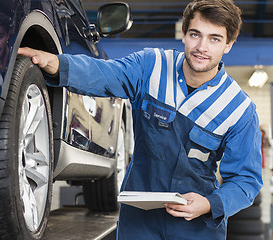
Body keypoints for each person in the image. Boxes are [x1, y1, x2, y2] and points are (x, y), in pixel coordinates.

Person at [18, 0, 263, 239]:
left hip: (196, 225)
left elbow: (246, 180)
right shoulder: (152, 66)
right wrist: (57, 64)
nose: (202, 47)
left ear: (229, 44)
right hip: (139, 217)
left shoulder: (239, 109)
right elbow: (106, 74)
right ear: (184, 34)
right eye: (195, 34)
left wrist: (209, 204)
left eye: (215, 39)